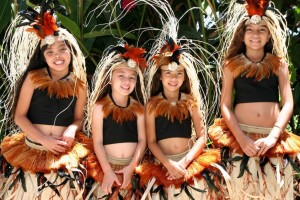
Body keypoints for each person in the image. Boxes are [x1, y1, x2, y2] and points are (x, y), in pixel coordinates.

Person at [208, 0, 300, 199]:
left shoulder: (279, 64)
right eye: (250, 29)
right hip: (242, 137)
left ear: (269, 35)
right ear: (242, 34)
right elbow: (225, 104)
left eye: (261, 30)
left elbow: (288, 103)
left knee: (274, 191)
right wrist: (241, 138)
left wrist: (274, 135)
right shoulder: (231, 64)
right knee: (242, 190)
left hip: (272, 139)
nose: (255, 35)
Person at [0, 1, 89, 199]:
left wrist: (72, 129)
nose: (57, 56)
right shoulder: (33, 78)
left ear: (70, 51)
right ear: (44, 57)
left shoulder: (79, 85)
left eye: (62, 49)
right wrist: (44, 140)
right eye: (50, 52)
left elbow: (78, 118)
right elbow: (20, 116)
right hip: (32, 148)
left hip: (63, 156)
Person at [135, 29, 224, 199]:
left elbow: (202, 137)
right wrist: (168, 164)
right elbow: (151, 141)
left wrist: (185, 162)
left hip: (188, 163)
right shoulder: (151, 106)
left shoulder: (191, 102)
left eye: (178, 74)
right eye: (168, 73)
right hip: (163, 164)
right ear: (160, 77)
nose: (173, 78)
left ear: (184, 77)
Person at [83, 43, 147, 199]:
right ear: (110, 78)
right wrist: (107, 171)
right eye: (121, 76)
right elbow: (97, 141)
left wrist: (132, 167)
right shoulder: (99, 107)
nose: (127, 81)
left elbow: (142, 140)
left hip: (132, 167)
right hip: (108, 166)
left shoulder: (138, 108)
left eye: (132, 77)